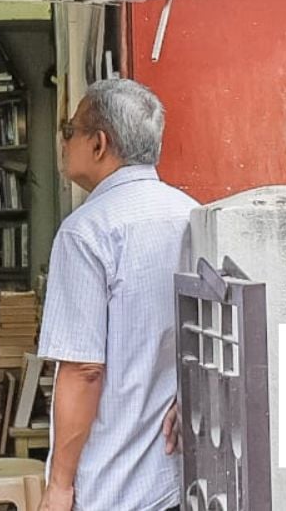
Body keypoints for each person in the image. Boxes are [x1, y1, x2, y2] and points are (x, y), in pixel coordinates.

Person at [37, 78, 194, 511]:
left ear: (99, 143)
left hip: (113, 482)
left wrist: (60, 485)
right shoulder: (194, 215)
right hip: (179, 476)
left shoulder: (87, 231)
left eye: (70, 132)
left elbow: (84, 369)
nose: (65, 143)